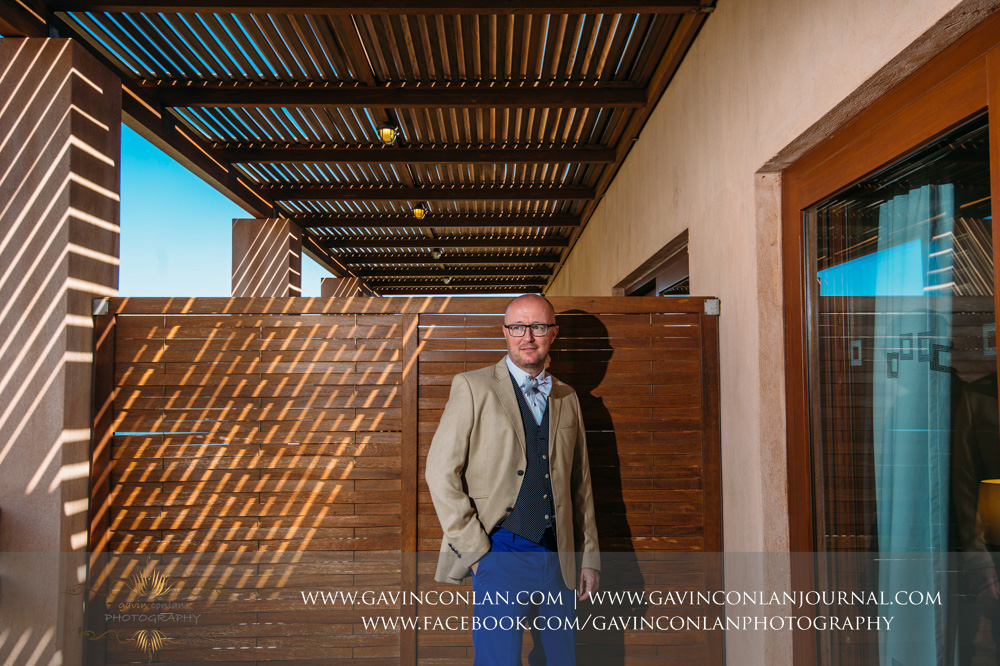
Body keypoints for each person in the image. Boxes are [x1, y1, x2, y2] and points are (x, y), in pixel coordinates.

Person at [425, 293, 601, 665]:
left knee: (560, 659)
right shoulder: (473, 387)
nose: (528, 337)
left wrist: (589, 559)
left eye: (537, 327)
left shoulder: (568, 397)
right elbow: (440, 472)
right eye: (517, 327)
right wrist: (476, 552)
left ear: (553, 333)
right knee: (497, 660)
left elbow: (580, 486)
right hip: (500, 549)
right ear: (505, 332)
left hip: (560, 554)